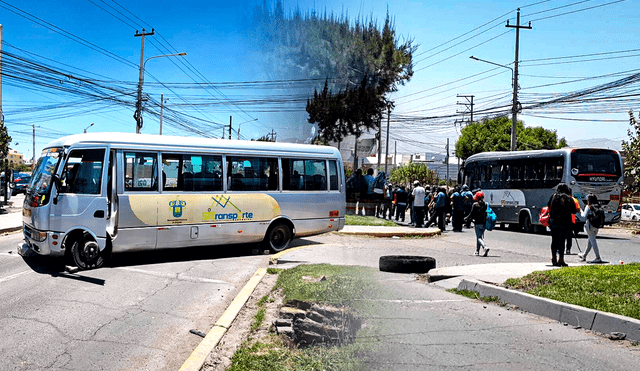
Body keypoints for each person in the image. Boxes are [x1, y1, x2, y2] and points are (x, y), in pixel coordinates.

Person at [547, 183, 577, 267]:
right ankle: (561, 259)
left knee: (554, 240)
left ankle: (554, 259)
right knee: (562, 241)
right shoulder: (568, 198)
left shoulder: (553, 197)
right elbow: (574, 211)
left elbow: (549, 206)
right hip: (564, 222)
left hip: (554, 221)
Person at [578, 194, 603, 263]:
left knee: (593, 241)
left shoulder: (588, 206)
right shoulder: (598, 206)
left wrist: (580, 211)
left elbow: (584, 216)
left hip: (590, 225)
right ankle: (584, 255)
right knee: (590, 241)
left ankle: (598, 257)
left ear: (588, 200)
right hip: (596, 225)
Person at [464, 190, 489, 256]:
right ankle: (477, 251)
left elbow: (471, 214)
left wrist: (465, 218)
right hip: (483, 223)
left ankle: (485, 247)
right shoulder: (486, 204)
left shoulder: (475, 205)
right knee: (480, 237)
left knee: (478, 238)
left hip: (477, 223)